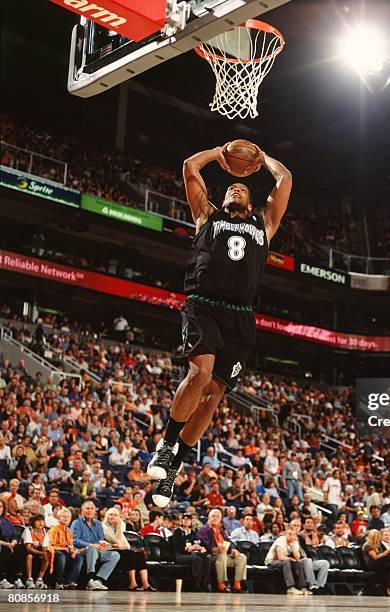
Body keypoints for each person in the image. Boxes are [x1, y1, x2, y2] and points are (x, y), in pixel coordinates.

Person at [147, 142, 292, 508]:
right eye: (231, 187)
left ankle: (174, 467)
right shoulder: (207, 217)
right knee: (199, 375)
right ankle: (166, 445)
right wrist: (219, 152)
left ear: (250, 200)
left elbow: (285, 178)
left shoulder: (265, 224)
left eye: (242, 188)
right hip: (204, 305)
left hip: (241, 317)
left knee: (212, 396)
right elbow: (189, 166)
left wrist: (261, 160)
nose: (236, 189)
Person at [71, 500, 120, 590]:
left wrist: (103, 545)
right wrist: (91, 545)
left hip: (97, 550)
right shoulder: (76, 523)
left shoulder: (98, 524)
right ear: (82, 511)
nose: (89, 511)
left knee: (115, 555)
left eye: (92, 509)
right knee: (91, 549)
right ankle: (90, 578)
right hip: (81, 551)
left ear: (95, 511)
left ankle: (98, 580)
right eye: (87, 508)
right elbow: (74, 540)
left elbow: (100, 540)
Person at [102, 508, 154, 591]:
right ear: (106, 516)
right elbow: (117, 541)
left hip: (120, 551)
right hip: (109, 552)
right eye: (111, 514)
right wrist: (119, 527)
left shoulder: (116, 527)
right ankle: (132, 583)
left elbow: (127, 545)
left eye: (115, 515)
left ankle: (145, 584)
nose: (113, 517)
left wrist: (120, 545)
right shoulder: (104, 527)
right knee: (130, 554)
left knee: (139, 555)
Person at [197, 508, 247, 592]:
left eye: (217, 516)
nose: (215, 518)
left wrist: (233, 550)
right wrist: (216, 549)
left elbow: (228, 542)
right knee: (222, 555)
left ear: (220, 519)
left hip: (222, 556)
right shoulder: (203, 530)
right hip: (210, 557)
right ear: (209, 518)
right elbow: (204, 544)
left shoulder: (221, 531)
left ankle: (237, 584)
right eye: (213, 516)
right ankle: (221, 583)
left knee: (241, 557)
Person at [170, 513, 211, 591]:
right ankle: (196, 583)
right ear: (181, 520)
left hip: (191, 554)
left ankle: (204, 582)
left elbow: (196, 543)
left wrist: (200, 548)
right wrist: (189, 548)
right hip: (180, 554)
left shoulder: (192, 533)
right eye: (184, 519)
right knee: (197, 559)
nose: (186, 521)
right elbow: (177, 546)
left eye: (188, 519)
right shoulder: (177, 532)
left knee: (206, 558)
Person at [265, 526, 309, 595]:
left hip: (284, 561)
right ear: (286, 534)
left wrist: (293, 547)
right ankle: (290, 587)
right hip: (271, 561)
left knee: (298, 563)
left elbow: (298, 557)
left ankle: (302, 587)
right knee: (286, 562)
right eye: (289, 534)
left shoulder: (295, 542)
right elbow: (280, 557)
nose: (291, 536)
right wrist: (291, 559)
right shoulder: (281, 540)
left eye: (293, 534)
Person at [363, 529, 390, 596]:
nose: (378, 539)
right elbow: (375, 557)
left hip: (377, 564)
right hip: (371, 564)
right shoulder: (368, 546)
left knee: (387, 567)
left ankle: (387, 588)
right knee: (388, 558)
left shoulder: (376, 545)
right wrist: (386, 552)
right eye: (377, 537)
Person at [47, 507, 83, 589]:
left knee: (79, 558)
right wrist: (64, 549)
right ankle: (58, 581)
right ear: (59, 518)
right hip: (55, 552)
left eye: (68, 517)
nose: (66, 519)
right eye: (64, 516)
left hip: (65, 551)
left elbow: (70, 545)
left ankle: (70, 581)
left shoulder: (69, 531)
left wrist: (72, 551)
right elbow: (50, 546)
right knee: (61, 556)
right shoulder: (53, 530)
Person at [23, 514, 51, 589]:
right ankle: (29, 579)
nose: (41, 523)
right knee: (29, 556)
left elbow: (47, 546)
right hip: (29, 551)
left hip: (41, 551)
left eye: (42, 520)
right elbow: (28, 548)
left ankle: (39, 579)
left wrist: (44, 553)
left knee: (47, 557)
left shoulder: (46, 531)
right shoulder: (28, 529)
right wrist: (41, 553)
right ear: (33, 522)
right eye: (38, 521)